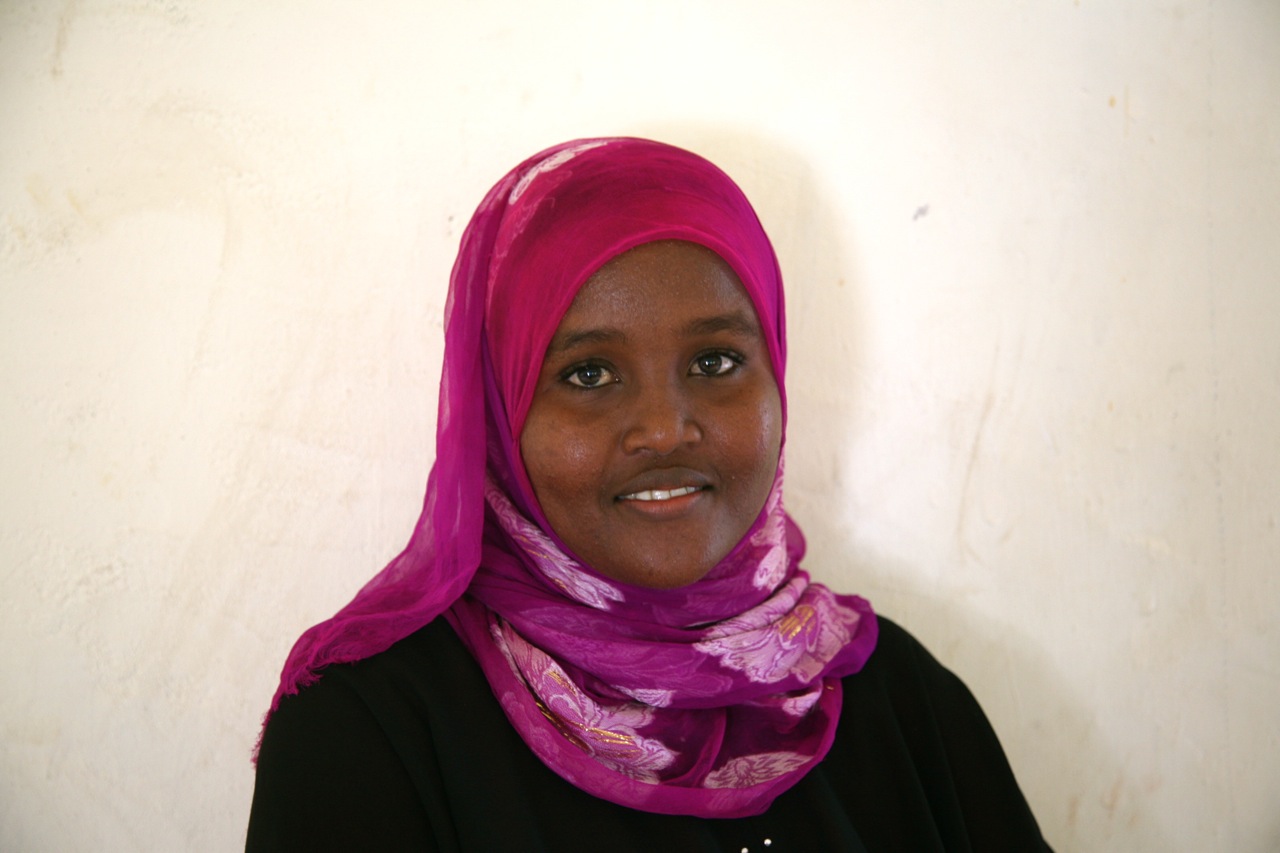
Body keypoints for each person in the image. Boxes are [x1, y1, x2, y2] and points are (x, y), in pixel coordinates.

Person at [246, 138, 1051, 851]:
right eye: (588, 373)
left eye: (715, 362)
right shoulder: (369, 734)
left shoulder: (895, 698)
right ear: (498, 412)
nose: (665, 429)